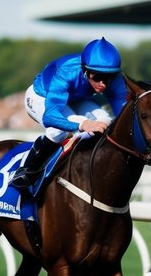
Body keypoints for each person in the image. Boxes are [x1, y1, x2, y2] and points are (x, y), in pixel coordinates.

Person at [9, 37, 129, 191]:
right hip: (42, 97)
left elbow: (123, 116)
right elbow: (50, 116)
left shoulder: (115, 79)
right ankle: (27, 171)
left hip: (75, 99)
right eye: (97, 77)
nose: (103, 84)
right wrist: (81, 125)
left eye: (108, 78)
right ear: (84, 70)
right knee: (62, 128)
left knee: (105, 119)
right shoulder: (66, 72)